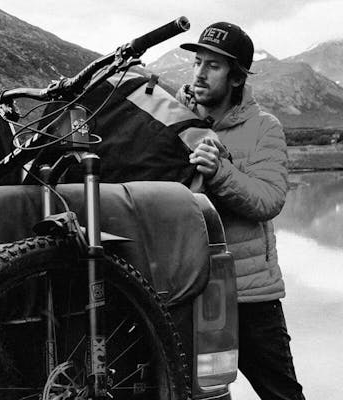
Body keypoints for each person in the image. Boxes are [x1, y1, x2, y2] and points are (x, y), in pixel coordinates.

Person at [177, 22, 305, 400]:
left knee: (280, 393)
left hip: (250, 296)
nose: (199, 73)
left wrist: (220, 171)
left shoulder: (265, 128)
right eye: (197, 62)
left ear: (235, 78)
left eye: (213, 66)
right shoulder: (175, 121)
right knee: (202, 394)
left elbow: (269, 200)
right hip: (192, 288)